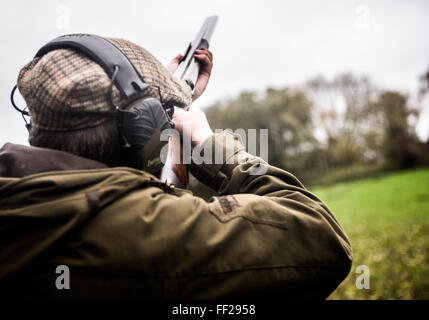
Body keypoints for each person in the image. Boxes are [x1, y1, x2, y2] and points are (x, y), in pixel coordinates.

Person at [0, 36, 352, 300]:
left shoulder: (20, 196)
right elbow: (322, 238)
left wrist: (154, 105)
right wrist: (208, 144)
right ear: (141, 131)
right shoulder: (140, 232)